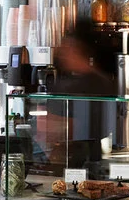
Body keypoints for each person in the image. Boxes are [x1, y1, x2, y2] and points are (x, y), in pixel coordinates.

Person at [48, 20, 116, 169]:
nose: (63, 53)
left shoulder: (97, 84)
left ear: (80, 51)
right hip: (74, 160)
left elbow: (66, 129)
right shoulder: (68, 82)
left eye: (68, 48)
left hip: (83, 161)